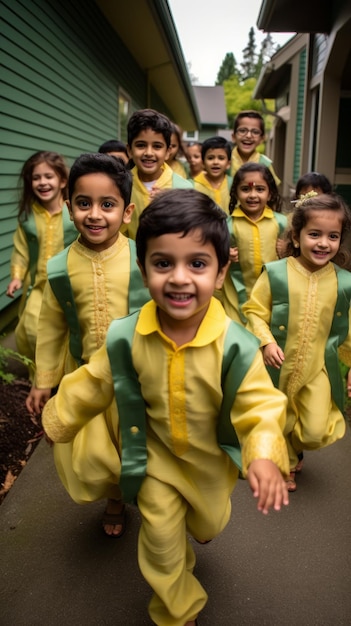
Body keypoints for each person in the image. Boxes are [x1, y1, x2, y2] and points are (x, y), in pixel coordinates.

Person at [42, 188, 290, 626]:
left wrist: (265, 455)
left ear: (219, 272)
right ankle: (177, 607)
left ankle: (204, 524)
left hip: (210, 462)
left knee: (208, 524)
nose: (178, 278)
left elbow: (260, 404)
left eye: (196, 263)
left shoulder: (235, 344)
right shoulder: (126, 336)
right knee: (160, 539)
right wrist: (60, 419)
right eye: (163, 263)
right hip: (154, 458)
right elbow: (96, 381)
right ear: (143, 269)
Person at [26, 153, 150, 536]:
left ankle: (168, 506)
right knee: (98, 454)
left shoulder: (143, 258)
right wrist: (44, 379)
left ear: (127, 212)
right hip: (85, 376)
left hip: (140, 375)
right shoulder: (60, 266)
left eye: (107, 204)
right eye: (84, 204)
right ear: (68, 207)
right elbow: (51, 325)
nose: (95, 214)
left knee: (151, 447)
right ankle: (115, 497)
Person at [242, 193, 351, 492]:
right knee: (279, 418)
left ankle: (295, 446)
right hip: (278, 366)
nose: (323, 243)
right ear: (296, 236)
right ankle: (285, 463)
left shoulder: (344, 283)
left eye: (333, 236)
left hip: (319, 369)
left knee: (314, 430)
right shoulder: (276, 274)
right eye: (314, 234)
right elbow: (254, 312)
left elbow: (348, 329)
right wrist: (265, 343)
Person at [6, 151, 77, 373]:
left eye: (49, 176)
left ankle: (65, 378)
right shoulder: (28, 216)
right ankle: (41, 376)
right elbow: (21, 249)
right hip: (38, 284)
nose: (42, 182)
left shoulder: (74, 212)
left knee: (68, 332)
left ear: (62, 181)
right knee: (31, 328)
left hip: (70, 285)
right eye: (36, 178)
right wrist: (17, 276)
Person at [221, 163, 287, 324]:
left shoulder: (281, 223)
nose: (252, 195)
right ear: (235, 193)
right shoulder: (227, 226)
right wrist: (224, 254)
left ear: (270, 194)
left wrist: (287, 251)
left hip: (271, 297)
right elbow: (213, 256)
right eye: (245, 189)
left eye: (260, 189)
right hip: (235, 298)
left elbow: (296, 259)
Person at [123, 108, 192, 239]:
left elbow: (190, 230)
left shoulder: (184, 188)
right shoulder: (121, 185)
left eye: (157, 146)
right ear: (130, 150)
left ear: (168, 152)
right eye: (141, 145)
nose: (149, 153)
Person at [230, 110, 280, 187]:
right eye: (243, 130)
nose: (249, 135)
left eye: (255, 132)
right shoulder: (225, 160)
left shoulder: (265, 163)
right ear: (233, 136)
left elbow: (273, 190)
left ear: (262, 139)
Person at [191, 136, 233, 213]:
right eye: (210, 158)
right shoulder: (192, 186)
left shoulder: (233, 185)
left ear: (228, 164)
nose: (215, 162)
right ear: (203, 163)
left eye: (221, 158)